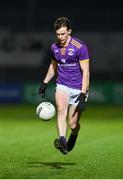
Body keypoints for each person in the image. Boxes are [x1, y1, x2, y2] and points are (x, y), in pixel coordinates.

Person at [39, 16, 90, 155]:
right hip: (63, 85)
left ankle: (74, 134)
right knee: (61, 110)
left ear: (69, 31)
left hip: (79, 88)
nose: (60, 37)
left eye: (63, 33)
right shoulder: (54, 48)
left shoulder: (80, 47)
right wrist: (45, 82)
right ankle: (62, 140)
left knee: (72, 124)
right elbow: (54, 66)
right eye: (58, 34)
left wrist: (83, 94)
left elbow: (86, 72)